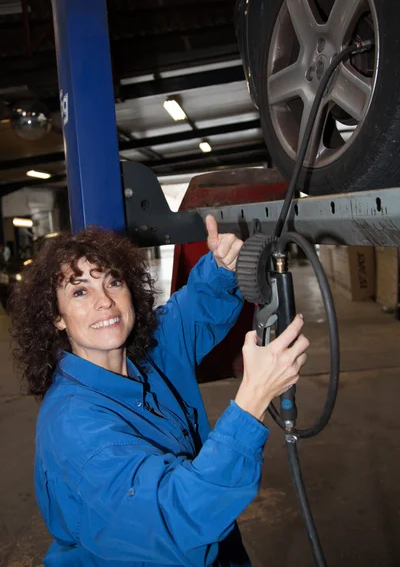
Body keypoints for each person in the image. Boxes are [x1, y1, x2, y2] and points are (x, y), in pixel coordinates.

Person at [9, 216, 309, 567]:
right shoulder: (75, 428)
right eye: (79, 291)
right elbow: (176, 519)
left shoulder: (145, 356)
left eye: (113, 282)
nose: (104, 301)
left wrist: (222, 266)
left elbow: (191, 311)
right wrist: (254, 395)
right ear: (56, 317)